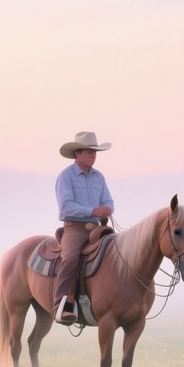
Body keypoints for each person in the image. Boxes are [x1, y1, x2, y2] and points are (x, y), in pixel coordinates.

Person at [53, 130, 114, 324]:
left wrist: (106, 209)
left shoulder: (99, 177)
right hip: (75, 227)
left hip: (96, 227)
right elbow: (66, 206)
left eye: (94, 152)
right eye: (88, 151)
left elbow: (109, 202)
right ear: (77, 154)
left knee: (116, 254)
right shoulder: (66, 176)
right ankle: (60, 304)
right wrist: (94, 210)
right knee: (70, 258)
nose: (93, 155)